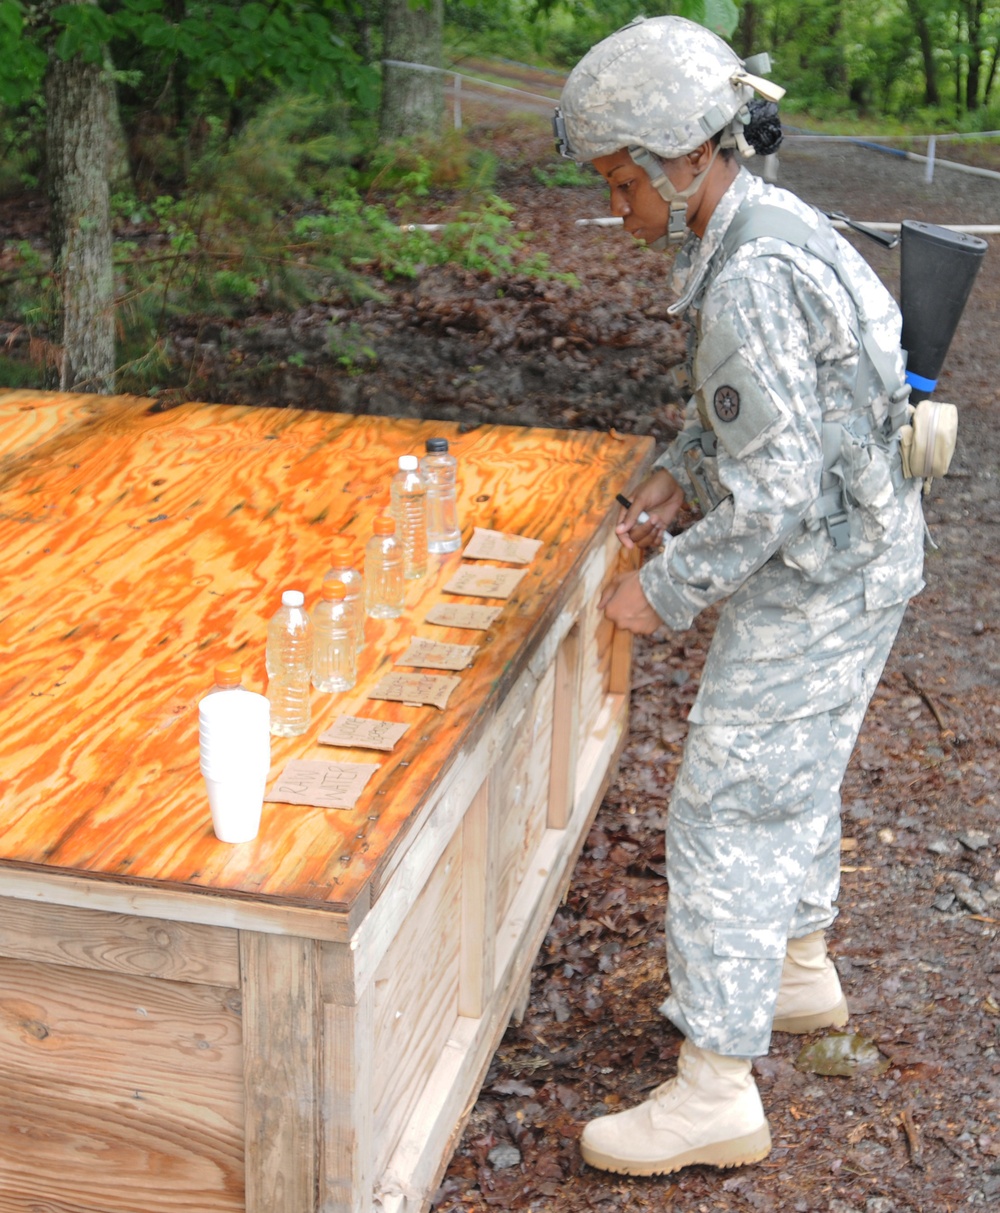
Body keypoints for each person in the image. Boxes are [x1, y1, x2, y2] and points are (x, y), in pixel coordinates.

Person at [554, 15, 926, 1178]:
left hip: (819, 569)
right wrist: (675, 468)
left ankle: (714, 1085)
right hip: (866, 547)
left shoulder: (750, 274)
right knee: (798, 766)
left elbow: (769, 500)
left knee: (726, 802)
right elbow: (767, 413)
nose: (620, 212)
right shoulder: (758, 222)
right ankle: (799, 969)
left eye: (622, 185)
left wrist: (654, 593)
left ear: (682, 158)